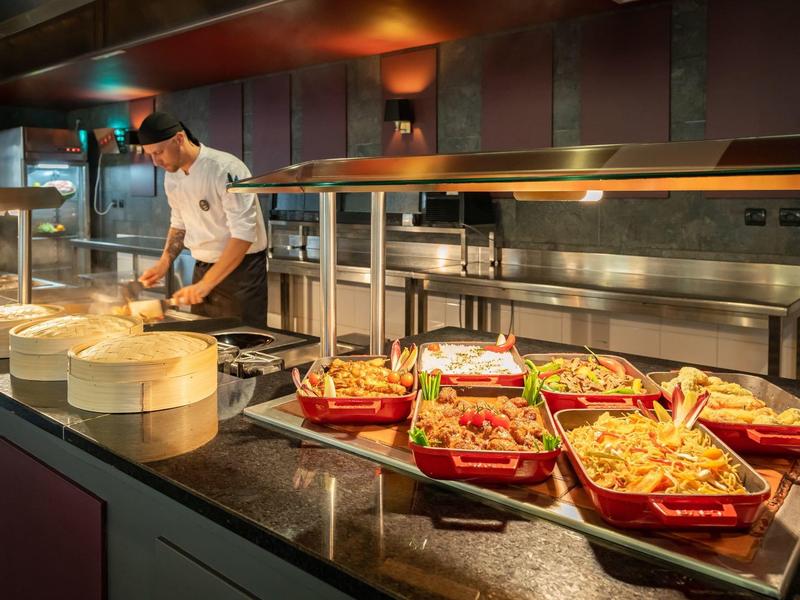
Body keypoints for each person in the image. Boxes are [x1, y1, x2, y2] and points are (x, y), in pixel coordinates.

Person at [137, 111, 268, 326]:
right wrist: (163, 263)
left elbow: (243, 234)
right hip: (202, 269)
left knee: (243, 340)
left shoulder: (226, 168)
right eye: (150, 155)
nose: (155, 161)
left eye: (158, 152)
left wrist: (206, 284)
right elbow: (179, 224)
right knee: (204, 338)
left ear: (179, 139)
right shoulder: (172, 176)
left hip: (240, 274)